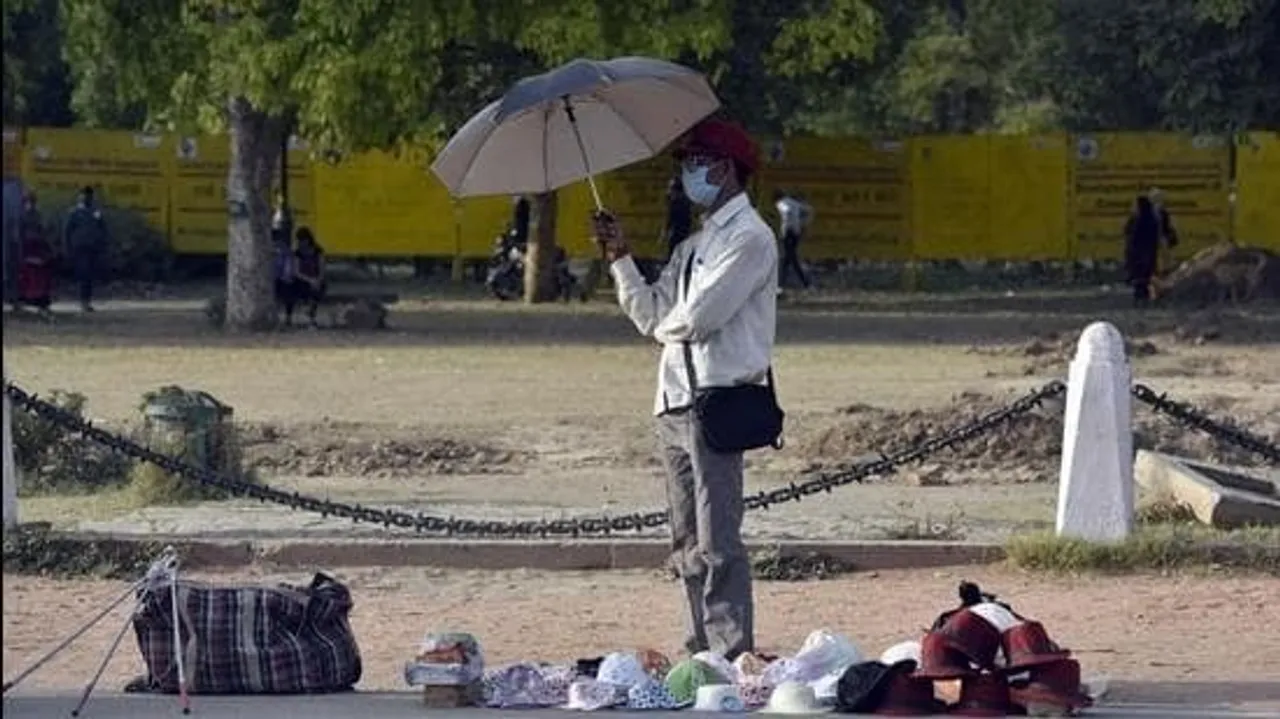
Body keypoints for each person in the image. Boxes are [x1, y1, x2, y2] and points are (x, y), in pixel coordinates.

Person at [594, 118, 777, 661]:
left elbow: (698, 318)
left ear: (723, 169)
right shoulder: (696, 245)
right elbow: (651, 310)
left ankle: (730, 651)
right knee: (686, 541)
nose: (685, 174)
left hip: (717, 399)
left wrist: (663, 324)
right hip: (673, 399)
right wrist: (621, 258)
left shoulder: (751, 238)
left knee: (719, 539)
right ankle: (699, 647)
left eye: (693, 163)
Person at [63, 186, 110, 312]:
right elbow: (67, 231)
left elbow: (103, 229)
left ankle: (87, 301)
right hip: (79, 248)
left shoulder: (96, 212)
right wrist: (68, 247)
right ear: (80, 197)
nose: (86, 198)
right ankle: (83, 301)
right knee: (83, 274)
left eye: (89, 195)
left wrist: (103, 244)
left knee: (89, 275)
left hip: (92, 248)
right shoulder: (74, 212)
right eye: (84, 195)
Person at [17, 193, 55, 314]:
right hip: (27, 247)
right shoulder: (22, 216)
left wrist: (46, 243)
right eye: (29, 202)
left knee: (40, 276)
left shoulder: (38, 215)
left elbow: (42, 230)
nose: (31, 204)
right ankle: (24, 300)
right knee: (27, 275)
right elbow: (19, 233)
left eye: (33, 202)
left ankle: (40, 301)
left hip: (38, 247)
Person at [1124, 195, 1162, 306]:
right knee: (1143, 277)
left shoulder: (1140, 220)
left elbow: (1131, 235)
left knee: (1141, 278)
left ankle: (1142, 298)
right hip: (1146, 253)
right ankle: (1143, 297)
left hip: (1140, 254)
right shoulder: (1149, 219)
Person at [774, 190, 813, 289]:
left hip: (788, 233)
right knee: (789, 259)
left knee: (788, 259)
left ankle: (781, 284)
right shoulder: (794, 202)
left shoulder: (781, 203)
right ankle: (804, 283)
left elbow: (787, 212)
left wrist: (785, 227)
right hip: (796, 232)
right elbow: (809, 210)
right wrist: (802, 223)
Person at [291, 226, 327, 327]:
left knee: (317, 289)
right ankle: (309, 315)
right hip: (303, 280)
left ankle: (311, 315)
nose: (301, 243)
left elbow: (322, 268)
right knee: (304, 288)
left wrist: (318, 280)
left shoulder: (318, 251)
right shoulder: (298, 254)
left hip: (316, 279)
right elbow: (296, 272)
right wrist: (309, 280)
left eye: (302, 241)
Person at [663, 175, 694, 260]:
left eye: (671, 189)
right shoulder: (683, 201)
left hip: (680, 234)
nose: (669, 192)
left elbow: (671, 219)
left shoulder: (679, 203)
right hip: (682, 233)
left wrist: (666, 231)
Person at [273, 230, 298, 325]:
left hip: (281, 280)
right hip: (271, 280)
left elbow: (288, 269)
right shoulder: (266, 251)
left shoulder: (285, 252)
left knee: (289, 289)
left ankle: (288, 316)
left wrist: (286, 277)